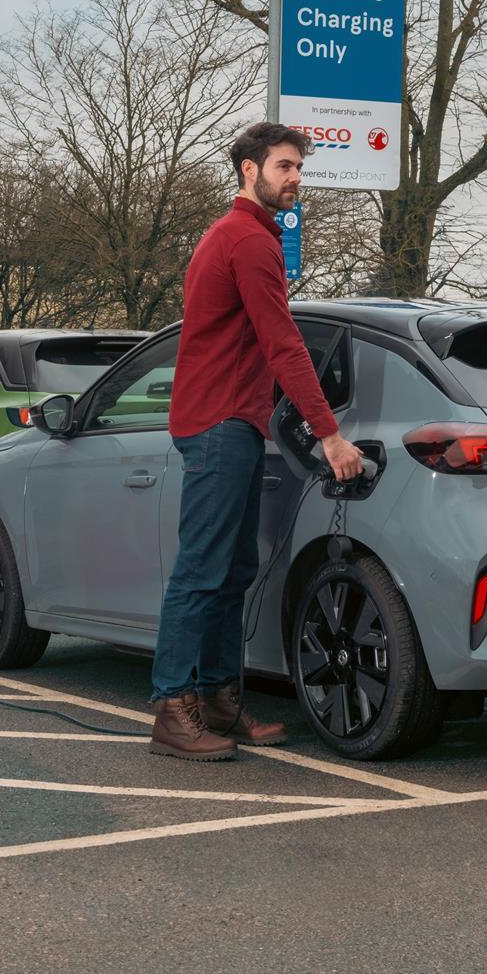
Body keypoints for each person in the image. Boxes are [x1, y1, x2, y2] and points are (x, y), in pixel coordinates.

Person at [148, 122, 364, 761]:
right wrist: (329, 433)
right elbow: (283, 343)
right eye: (284, 166)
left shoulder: (243, 236)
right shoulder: (246, 239)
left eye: (299, 167)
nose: (296, 177)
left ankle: (217, 700)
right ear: (250, 170)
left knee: (231, 570)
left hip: (231, 421)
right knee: (201, 570)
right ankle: (171, 709)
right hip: (219, 423)